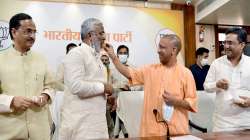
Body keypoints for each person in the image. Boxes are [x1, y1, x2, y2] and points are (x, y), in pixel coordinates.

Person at [105, 34, 197, 137]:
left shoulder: (186, 73)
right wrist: (113, 57)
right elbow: (128, 73)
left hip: (176, 132)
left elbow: (191, 103)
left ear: (174, 50)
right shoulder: (150, 70)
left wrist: (176, 101)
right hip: (150, 132)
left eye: (162, 47)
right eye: (158, 46)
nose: (158, 50)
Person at [0, 13, 55, 140]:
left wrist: (45, 96)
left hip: (40, 131)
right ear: (14, 32)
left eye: (35, 32)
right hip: (9, 132)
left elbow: (51, 85)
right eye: (28, 31)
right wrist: (11, 101)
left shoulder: (41, 59)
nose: (32, 36)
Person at [59, 18, 113, 140]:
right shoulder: (76, 53)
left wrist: (106, 96)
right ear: (90, 35)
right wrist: (104, 87)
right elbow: (76, 86)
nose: (104, 37)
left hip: (97, 125)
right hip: (81, 127)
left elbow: (93, 87)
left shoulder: (97, 57)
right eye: (101, 33)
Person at [204, 28, 250, 132]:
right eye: (225, 42)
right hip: (222, 125)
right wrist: (217, 85)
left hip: (247, 123)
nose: (226, 46)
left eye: (230, 43)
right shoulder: (217, 63)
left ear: (242, 45)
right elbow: (206, 86)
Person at [51, 42, 77, 140]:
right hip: (66, 100)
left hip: (79, 102)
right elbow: (57, 83)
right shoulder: (63, 65)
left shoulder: (82, 66)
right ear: (67, 53)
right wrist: (69, 90)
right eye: (71, 51)